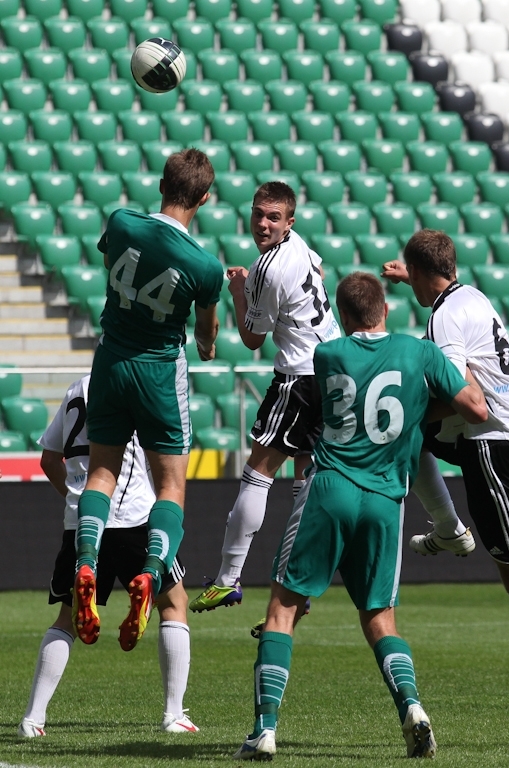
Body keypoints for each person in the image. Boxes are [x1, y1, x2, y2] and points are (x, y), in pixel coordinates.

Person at [233, 272, 488, 760]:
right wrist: (418, 405)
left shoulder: (327, 355)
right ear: (387, 310)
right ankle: (411, 706)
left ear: (344, 317)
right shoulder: (422, 354)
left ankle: (264, 729)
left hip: (330, 489)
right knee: (380, 617)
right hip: (386, 499)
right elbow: (473, 409)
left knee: (282, 610)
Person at [382, 229, 509, 747]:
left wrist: (416, 407)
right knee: (411, 439)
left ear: (424, 274)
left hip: (491, 444)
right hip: (503, 435)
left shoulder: (445, 315)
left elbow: (469, 399)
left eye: (411, 274)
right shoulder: (467, 295)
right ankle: (448, 529)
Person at [73, 148, 223, 652]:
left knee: (101, 474)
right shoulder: (206, 266)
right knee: (171, 487)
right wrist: (207, 340)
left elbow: (112, 260)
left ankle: (87, 561)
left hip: (111, 362)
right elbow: (205, 333)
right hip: (160, 373)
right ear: (204, 198)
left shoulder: (120, 223)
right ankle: (152, 572)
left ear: (161, 184)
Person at [18, 376, 198, 738]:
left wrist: (76, 503)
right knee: (174, 602)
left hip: (83, 518)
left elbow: (49, 458)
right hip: (134, 518)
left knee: (66, 617)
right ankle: (173, 714)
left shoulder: (77, 388)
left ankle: (33, 719)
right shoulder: (136, 384)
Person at [190, 181, 340, 613]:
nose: (263, 223)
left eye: (273, 217)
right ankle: (299, 585)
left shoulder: (267, 269)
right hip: (331, 370)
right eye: (259, 214)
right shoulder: (301, 246)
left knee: (258, 472)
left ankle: (228, 577)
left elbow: (253, 339)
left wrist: (239, 291)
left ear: (289, 221)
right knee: (306, 480)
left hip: (299, 377)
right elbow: (319, 275)